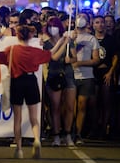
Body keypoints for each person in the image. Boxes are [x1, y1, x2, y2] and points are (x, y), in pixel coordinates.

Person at [0, 24, 69, 159]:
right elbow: (51, 54)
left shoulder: (12, 49)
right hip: (31, 81)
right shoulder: (34, 51)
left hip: (16, 82)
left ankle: (19, 149)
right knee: (34, 117)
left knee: (17, 119)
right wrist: (62, 42)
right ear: (30, 36)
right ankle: (37, 139)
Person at [43, 17, 77, 147]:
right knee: (55, 107)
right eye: (50, 26)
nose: (53, 28)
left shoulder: (70, 42)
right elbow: (53, 57)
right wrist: (64, 43)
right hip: (54, 75)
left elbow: (75, 58)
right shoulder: (47, 44)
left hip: (68, 75)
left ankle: (68, 134)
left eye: (55, 25)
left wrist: (71, 59)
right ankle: (56, 135)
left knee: (69, 107)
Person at [72, 13, 99, 145]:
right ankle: (68, 131)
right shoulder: (69, 36)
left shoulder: (92, 39)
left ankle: (77, 134)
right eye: (79, 16)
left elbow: (96, 60)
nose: (80, 19)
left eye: (84, 17)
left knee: (82, 105)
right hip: (71, 76)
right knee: (71, 106)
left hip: (86, 77)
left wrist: (81, 63)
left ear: (88, 23)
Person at [91, 15, 117, 139]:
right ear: (93, 24)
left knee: (106, 102)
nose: (100, 25)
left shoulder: (110, 39)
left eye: (102, 22)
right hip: (93, 73)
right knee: (94, 102)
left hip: (106, 73)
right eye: (97, 22)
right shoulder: (90, 39)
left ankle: (103, 129)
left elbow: (115, 57)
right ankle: (94, 127)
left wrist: (110, 72)